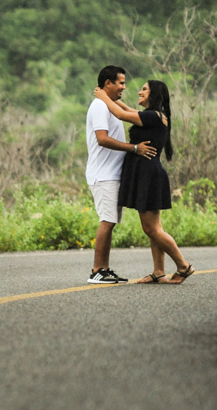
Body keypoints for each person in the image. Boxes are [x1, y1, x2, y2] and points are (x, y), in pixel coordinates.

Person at [94, 80, 195, 284]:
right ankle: (158, 271)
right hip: (147, 173)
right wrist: (111, 98)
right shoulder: (154, 116)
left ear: (154, 94)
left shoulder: (153, 116)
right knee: (155, 227)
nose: (139, 92)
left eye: (144, 89)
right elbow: (127, 110)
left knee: (151, 229)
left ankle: (184, 266)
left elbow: (122, 115)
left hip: (148, 175)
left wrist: (103, 96)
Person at [85, 66, 156, 284]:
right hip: (103, 175)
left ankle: (104, 269)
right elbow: (102, 139)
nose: (124, 87)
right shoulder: (99, 106)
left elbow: (128, 113)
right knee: (107, 221)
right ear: (108, 83)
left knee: (111, 221)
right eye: (121, 83)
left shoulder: (110, 105)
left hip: (113, 175)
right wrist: (134, 148)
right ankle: (97, 271)